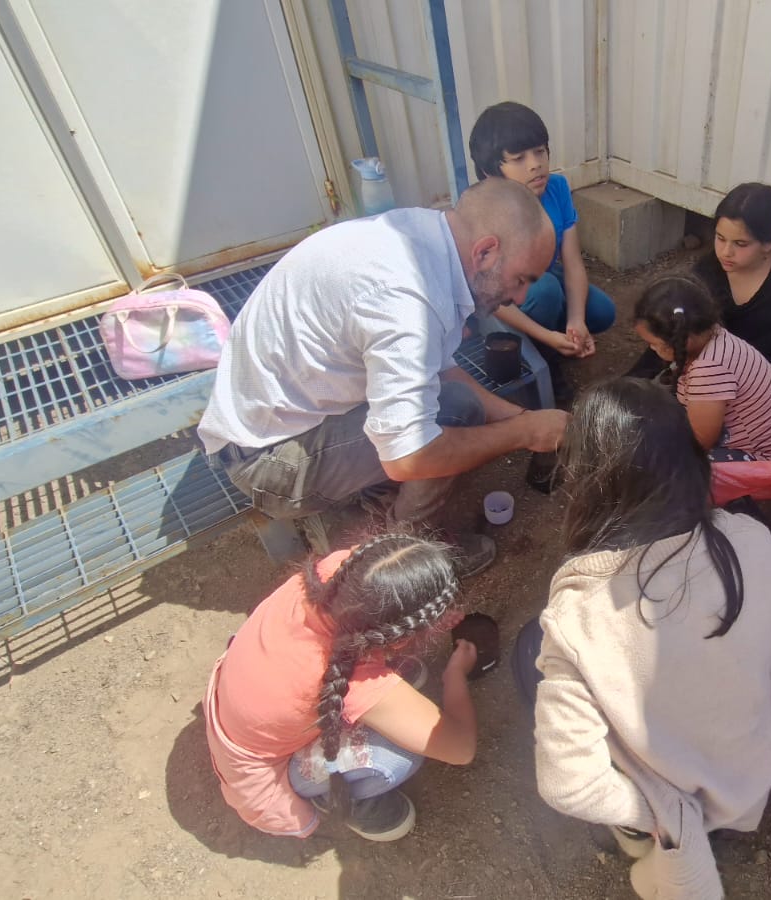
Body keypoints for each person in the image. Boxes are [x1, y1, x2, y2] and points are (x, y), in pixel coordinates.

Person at [511, 378, 771, 899]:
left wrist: (669, 811)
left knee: (530, 649)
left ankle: (640, 832)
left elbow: (568, 785)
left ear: (592, 480)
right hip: (755, 755)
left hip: (685, 792)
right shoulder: (752, 541)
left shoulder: (580, 616)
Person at [197, 178, 569, 573]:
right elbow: (409, 456)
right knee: (448, 419)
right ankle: (405, 561)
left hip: (284, 413)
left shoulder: (427, 238)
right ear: (487, 252)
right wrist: (525, 434)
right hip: (267, 461)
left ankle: (369, 505)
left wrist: (522, 418)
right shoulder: (406, 299)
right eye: (522, 279)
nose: (522, 298)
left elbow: (445, 372)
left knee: (455, 404)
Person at [204, 534, 480, 842]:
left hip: (242, 689)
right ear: (397, 636)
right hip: (263, 769)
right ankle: (346, 800)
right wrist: (454, 674)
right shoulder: (349, 679)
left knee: (400, 695)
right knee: (400, 755)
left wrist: (424, 620)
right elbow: (461, 749)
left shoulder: (335, 570)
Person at [629, 182, 771, 393]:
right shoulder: (707, 271)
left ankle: (729, 387)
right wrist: (632, 383)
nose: (726, 252)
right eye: (720, 238)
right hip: (722, 343)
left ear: (768, 243)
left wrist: (736, 362)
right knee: (672, 335)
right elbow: (678, 325)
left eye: (740, 244)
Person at [467, 102, 616, 368]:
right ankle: (542, 359)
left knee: (602, 311)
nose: (536, 165)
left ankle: (561, 337)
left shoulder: (557, 188)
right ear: (491, 171)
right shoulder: (485, 210)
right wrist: (546, 337)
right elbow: (493, 298)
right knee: (545, 291)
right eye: (519, 158)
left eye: (540, 152)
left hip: (543, 280)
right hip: (501, 303)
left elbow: (572, 263)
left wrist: (576, 321)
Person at [633, 275, 771, 462]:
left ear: (683, 339)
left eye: (654, 344)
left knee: (663, 462)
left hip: (765, 463)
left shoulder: (709, 369)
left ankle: (744, 492)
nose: (651, 348)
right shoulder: (713, 334)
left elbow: (700, 442)